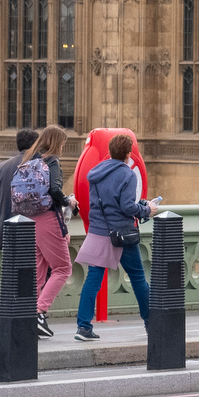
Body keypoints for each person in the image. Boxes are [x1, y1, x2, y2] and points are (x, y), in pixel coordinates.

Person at [74, 131, 153, 341]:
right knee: (138, 278)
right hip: (121, 234)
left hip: (98, 231)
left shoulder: (95, 172)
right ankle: (151, 322)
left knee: (93, 279)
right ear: (128, 154)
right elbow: (127, 207)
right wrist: (147, 210)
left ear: (110, 152)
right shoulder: (126, 174)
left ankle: (83, 327)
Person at [11, 127, 74, 335]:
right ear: (56, 143)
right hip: (48, 216)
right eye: (62, 143)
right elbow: (55, 190)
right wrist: (69, 202)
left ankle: (28, 313)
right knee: (63, 268)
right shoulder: (52, 161)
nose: (63, 147)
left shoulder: (29, 160)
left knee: (39, 271)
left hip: (31, 218)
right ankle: (39, 311)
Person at [0, 128, 39, 230]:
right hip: (30, 234)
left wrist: (3, 217)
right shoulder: (40, 167)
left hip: (5, 231)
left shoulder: (0, 167)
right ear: (35, 145)